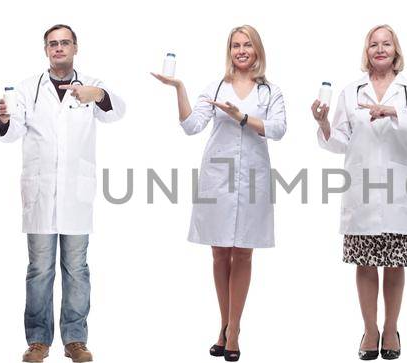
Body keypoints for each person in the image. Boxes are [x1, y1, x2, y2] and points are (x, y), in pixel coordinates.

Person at [150, 24, 286, 362]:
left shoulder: (270, 92)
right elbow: (191, 126)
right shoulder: (216, 87)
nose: (241, 51)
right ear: (230, 51)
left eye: (247, 45)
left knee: (243, 254)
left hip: (252, 178)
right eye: (236, 45)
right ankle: (223, 325)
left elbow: (279, 130)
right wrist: (179, 88)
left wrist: (241, 117)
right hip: (217, 179)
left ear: (257, 51)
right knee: (219, 254)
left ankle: (234, 330)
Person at [310, 24, 407, 361]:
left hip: (398, 188)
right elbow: (339, 140)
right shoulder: (351, 90)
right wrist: (323, 123)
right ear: (366, 51)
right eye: (373, 45)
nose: (380, 49)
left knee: (395, 264)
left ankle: (391, 328)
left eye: (386, 44)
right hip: (362, 189)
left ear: (396, 50)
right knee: (365, 264)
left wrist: (393, 110)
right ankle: (370, 330)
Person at [0, 24, 127, 363]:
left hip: (76, 195)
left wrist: (96, 95)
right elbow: (11, 133)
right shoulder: (29, 88)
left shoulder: (91, 85)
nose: (58, 48)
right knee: (39, 269)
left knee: (76, 268)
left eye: (64, 43)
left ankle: (75, 340)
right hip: (40, 193)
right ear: (46, 50)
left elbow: (118, 112)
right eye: (52, 44)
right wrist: (4, 118)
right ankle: (38, 340)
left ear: (75, 47)